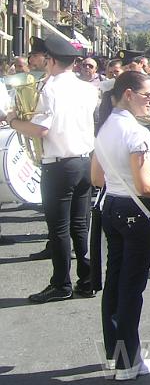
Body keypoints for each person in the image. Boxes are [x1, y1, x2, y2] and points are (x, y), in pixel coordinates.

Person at [91, 70, 150, 379]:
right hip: (134, 210)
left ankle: (116, 352)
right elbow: (144, 186)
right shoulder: (134, 131)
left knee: (114, 281)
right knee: (131, 288)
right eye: (147, 96)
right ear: (128, 94)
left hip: (111, 204)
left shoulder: (105, 126)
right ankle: (129, 363)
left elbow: (96, 178)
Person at [8, 37, 98, 303]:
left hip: (59, 165)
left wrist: (14, 121)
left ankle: (61, 283)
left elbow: (41, 129)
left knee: (59, 229)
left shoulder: (50, 89)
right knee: (80, 226)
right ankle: (87, 279)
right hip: (84, 161)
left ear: (52, 60)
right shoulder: (88, 89)